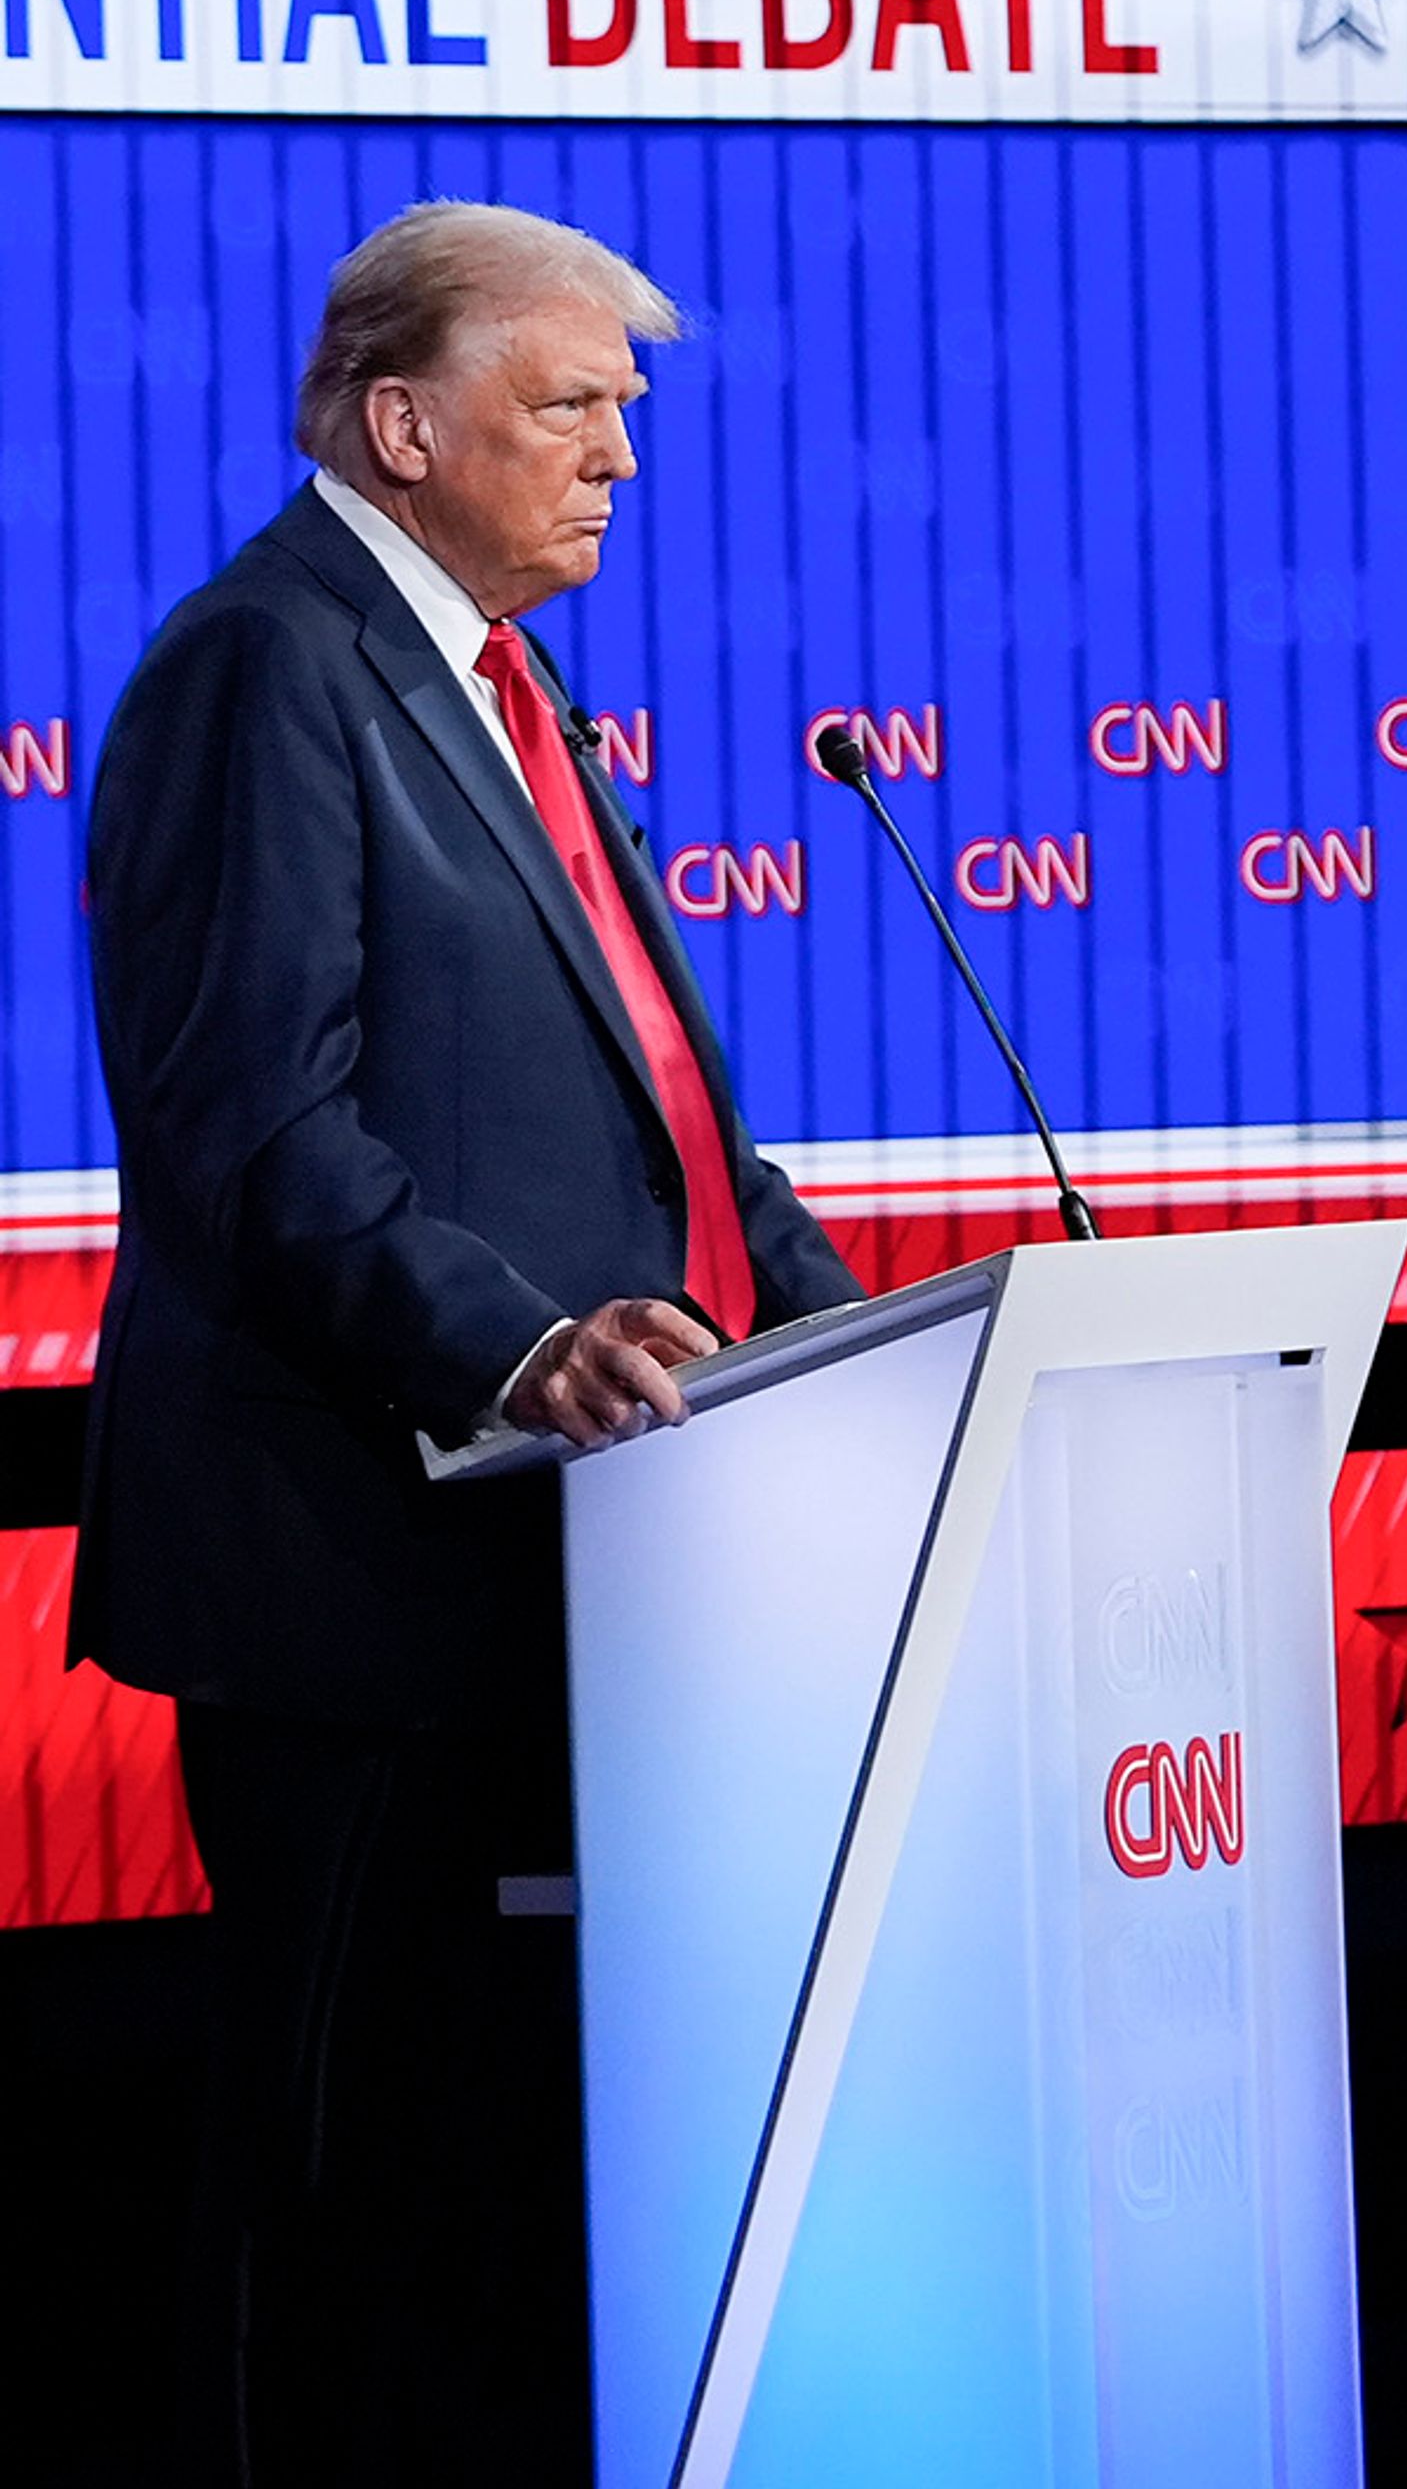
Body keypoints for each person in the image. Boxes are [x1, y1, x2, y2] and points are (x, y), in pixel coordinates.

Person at [71, 203, 862, 2482]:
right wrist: (520, 1349)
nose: (620, 456)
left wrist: (853, 1325)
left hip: (570, 1578)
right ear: (403, 426)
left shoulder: (499, 683)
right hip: (358, 1585)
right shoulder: (269, 663)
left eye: (629, 411)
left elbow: (663, 1120)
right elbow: (246, 1126)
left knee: (503, 2201)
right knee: (348, 2197)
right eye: (567, 407)